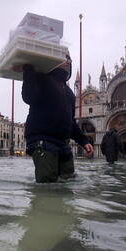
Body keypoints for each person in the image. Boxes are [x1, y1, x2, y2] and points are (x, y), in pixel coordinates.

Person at [18, 53, 93, 183]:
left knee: (68, 182)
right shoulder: (41, 78)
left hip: (63, 143)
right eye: (64, 58)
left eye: (69, 58)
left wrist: (84, 141)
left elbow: (71, 121)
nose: (68, 62)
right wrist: (28, 69)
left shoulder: (69, 92)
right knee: (47, 185)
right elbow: (29, 97)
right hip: (42, 140)